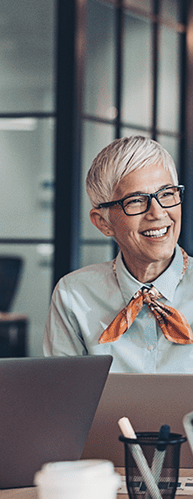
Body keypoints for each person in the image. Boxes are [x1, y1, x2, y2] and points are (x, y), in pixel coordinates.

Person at [43, 135, 191, 372]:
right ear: (103, 222)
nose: (157, 213)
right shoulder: (74, 295)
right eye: (136, 201)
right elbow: (63, 399)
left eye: (166, 194)